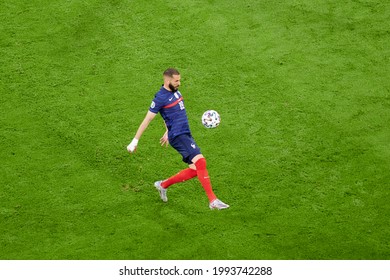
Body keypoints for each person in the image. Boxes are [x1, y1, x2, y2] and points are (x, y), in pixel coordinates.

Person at [127, 68, 229, 210]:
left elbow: (168, 115)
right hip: (178, 135)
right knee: (201, 162)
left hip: (184, 133)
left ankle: (163, 185)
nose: (179, 83)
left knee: (195, 169)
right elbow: (147, 119)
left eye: (179, 80)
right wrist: (135, 140)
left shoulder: (175, 91)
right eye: (176, 81)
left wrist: (167, 130)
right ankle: (213, 200)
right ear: (168, 81)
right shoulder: (160, 97)